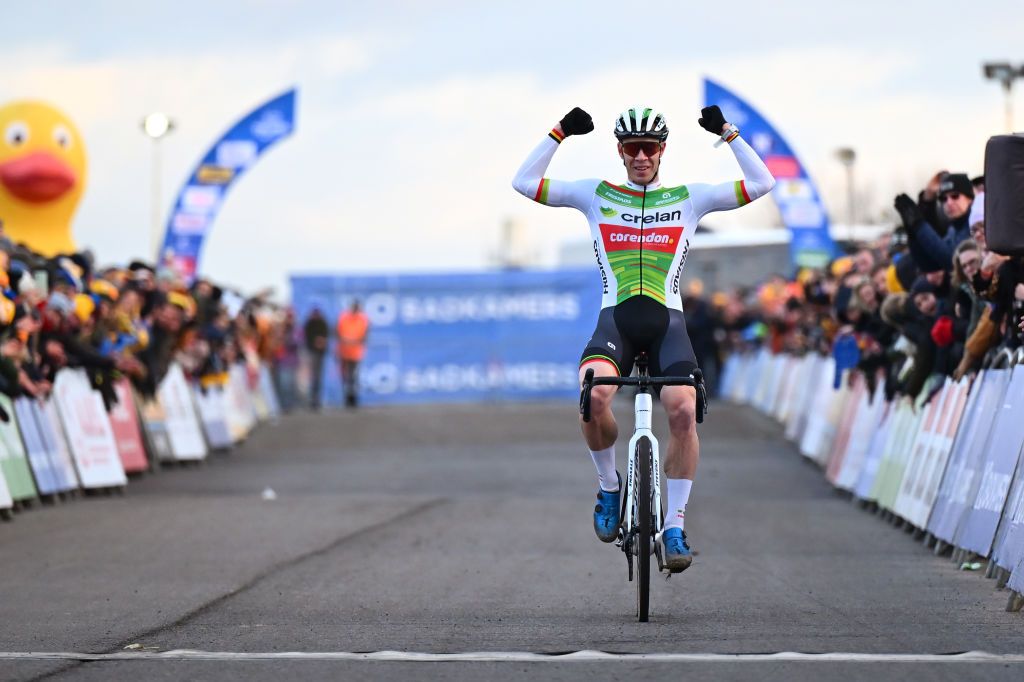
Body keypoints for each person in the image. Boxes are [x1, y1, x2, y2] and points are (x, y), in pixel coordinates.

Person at [512, 105, 775, 571]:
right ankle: (610, 489)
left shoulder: (688, 198)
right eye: (631, 148)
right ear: (619, 151)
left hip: (667, 325)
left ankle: (673, 524)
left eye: (648, 148)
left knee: (682, 410)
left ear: (662, 151)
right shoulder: (597, 194)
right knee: (592, 396)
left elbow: (762, 185)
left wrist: (728, 133)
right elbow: (524, 183)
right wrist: (559, 132)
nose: (640, 157)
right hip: (615, 321)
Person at [336, 300, 369, 408]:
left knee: (354, 377)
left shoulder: (362, 319)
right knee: (346, 377)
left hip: (355, 353)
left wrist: (353, 341)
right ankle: (347, 398)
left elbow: (364, 335)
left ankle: (353, 399)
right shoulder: (344, 318)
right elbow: (338, 333)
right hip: (345, 352)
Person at [302, 308, 329, 409]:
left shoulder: (322, 324)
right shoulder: (309, 324)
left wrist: (321, 343)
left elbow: (325, 336)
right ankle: (312, 399)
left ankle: (316, 399)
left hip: (319, 353)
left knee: (317, 377)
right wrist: (314, 344)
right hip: (312, 352)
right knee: (313, 376)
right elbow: (306, 337)